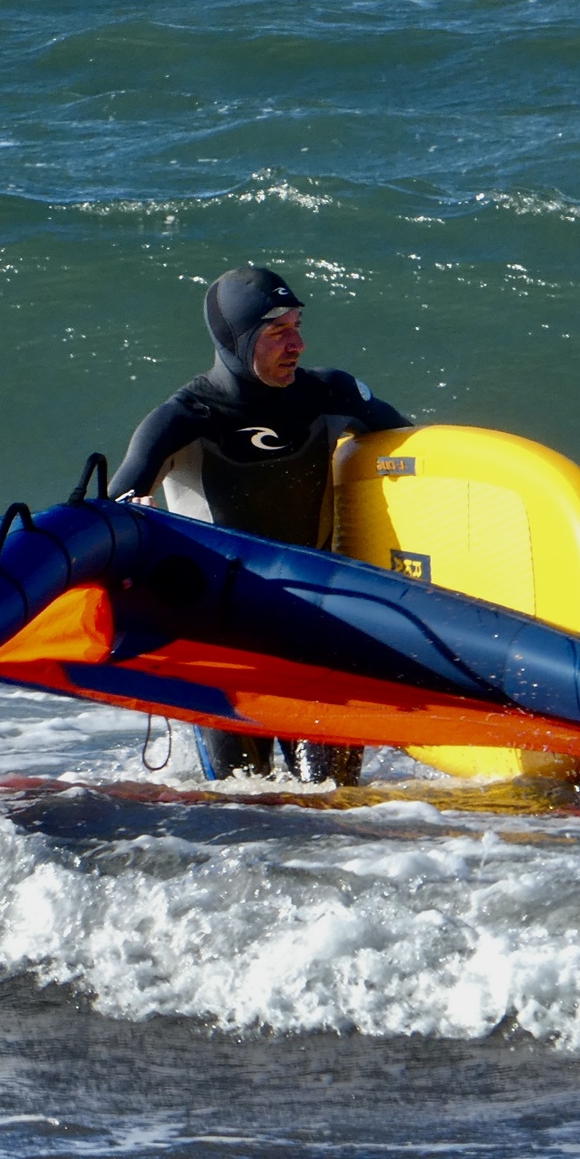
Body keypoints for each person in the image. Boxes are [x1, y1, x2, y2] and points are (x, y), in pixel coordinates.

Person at [109, 265, 411, 785]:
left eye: (297, 327)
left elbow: (420, 457)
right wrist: (139, 529)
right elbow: (110, 514)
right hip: (223, 647)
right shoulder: (183, 419)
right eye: (277, 332)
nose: (297, 344)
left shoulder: (330, 394)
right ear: (237, 338)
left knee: (336, 798)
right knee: (243, 803)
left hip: (317, 630)